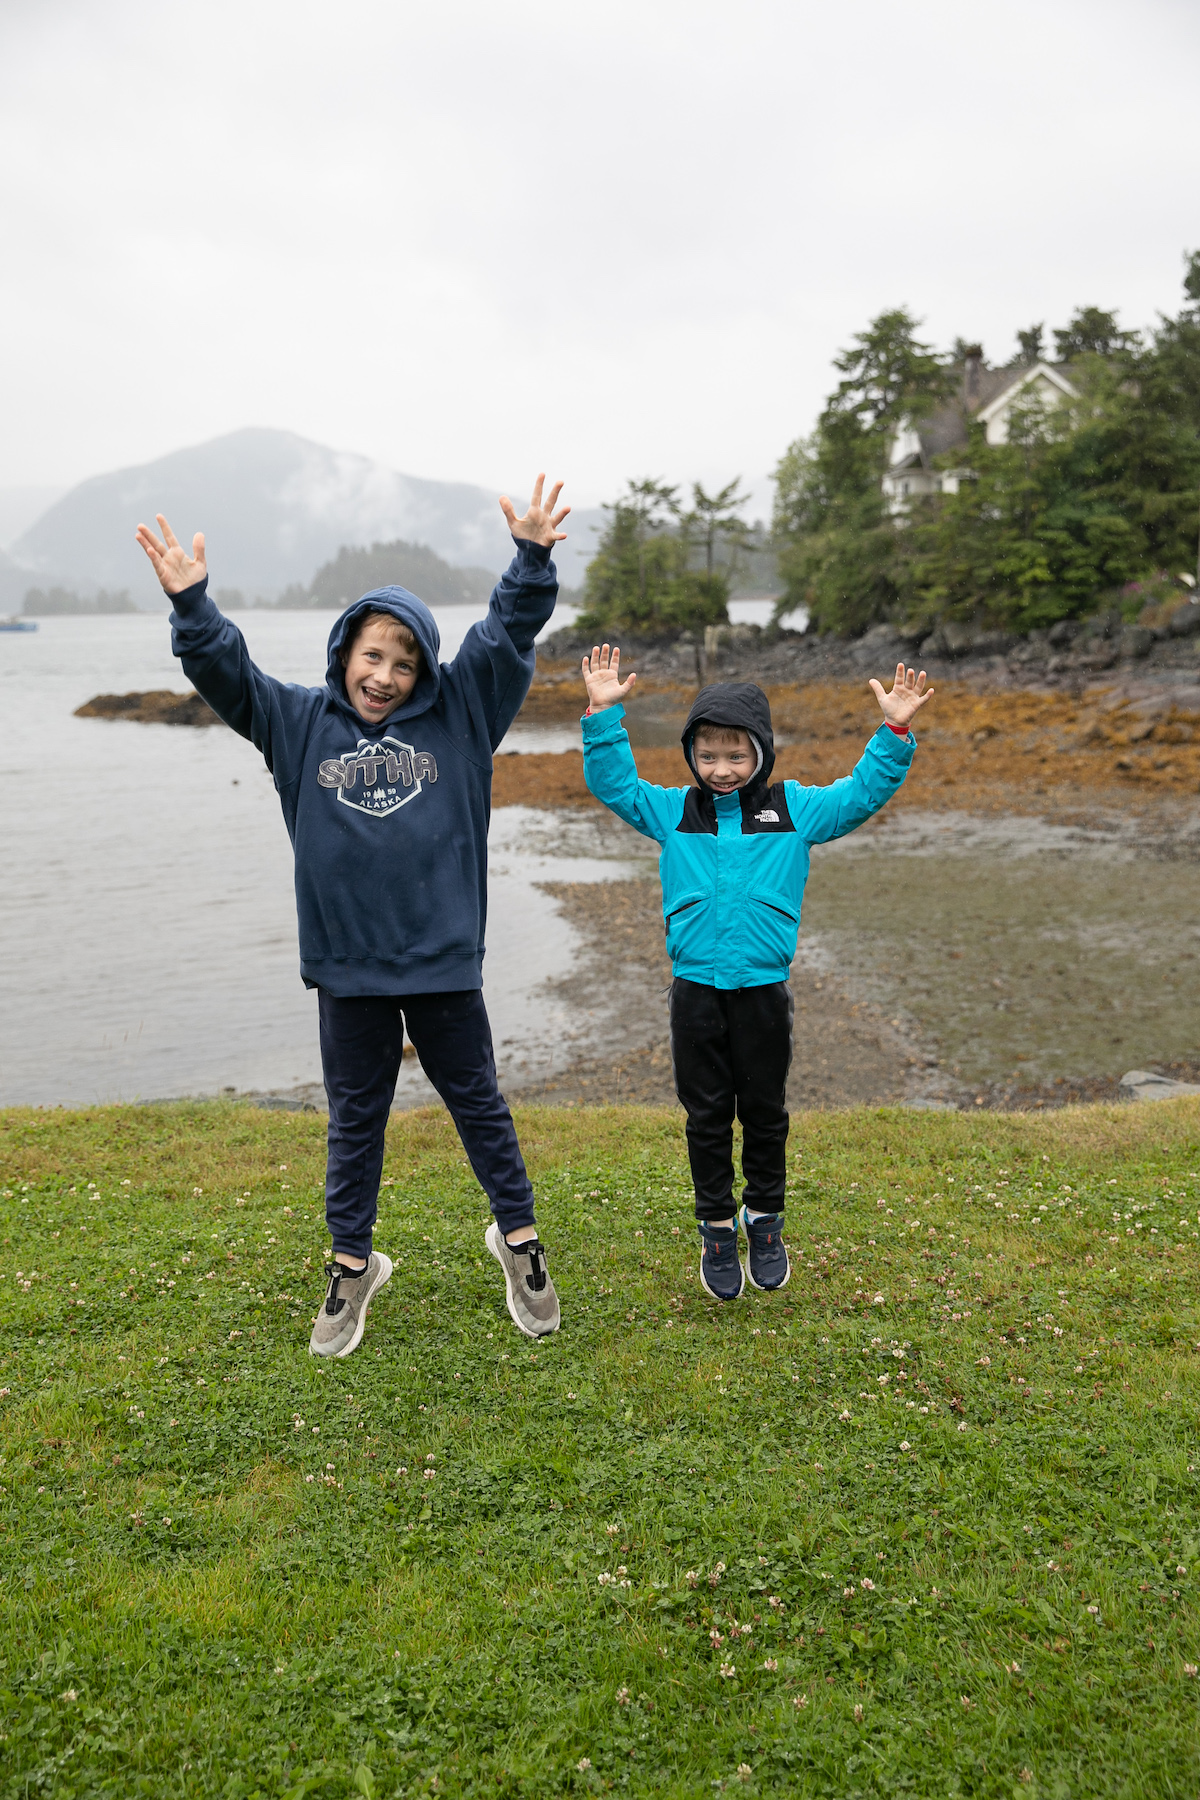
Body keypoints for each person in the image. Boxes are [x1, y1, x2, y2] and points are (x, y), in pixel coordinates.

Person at [135, 477, 570, 1354]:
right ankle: (351, 1265)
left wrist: (529, 561)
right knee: (354, 1119)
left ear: (426, 673)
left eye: (405, 662)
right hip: (347, 972)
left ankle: (518, 1242)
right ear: (343, 654)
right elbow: (227, 671)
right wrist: (192, 603)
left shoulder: (462, 714)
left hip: (444, 961)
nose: (385, 675)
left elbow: (504, 635)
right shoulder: (298, 724)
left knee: (479, 1103)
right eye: (373, 656)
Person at [579, 644, 933, 1300]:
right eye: (707, 756)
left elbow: (861, 794)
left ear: (762, 754)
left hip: (764, 994)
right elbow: (615, 785)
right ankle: (717, 1225)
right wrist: (604, 714)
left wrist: (895, 732)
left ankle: (764, 1220)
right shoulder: (673, 812)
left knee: (765, 1112)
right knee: (707, 1115)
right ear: (691, 756)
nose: (721, 769)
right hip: (696, 994)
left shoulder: (795, 810)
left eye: (736, 756)